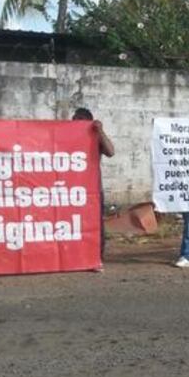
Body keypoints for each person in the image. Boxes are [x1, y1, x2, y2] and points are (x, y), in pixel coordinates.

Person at [72, 108, 115, 263]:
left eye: (81, 123)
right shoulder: (65, 138)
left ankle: (96, 257)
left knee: (95, 224)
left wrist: (100, 131)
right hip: (69, 190)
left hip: (92, 190)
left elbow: (111, 152)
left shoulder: (95, 138)